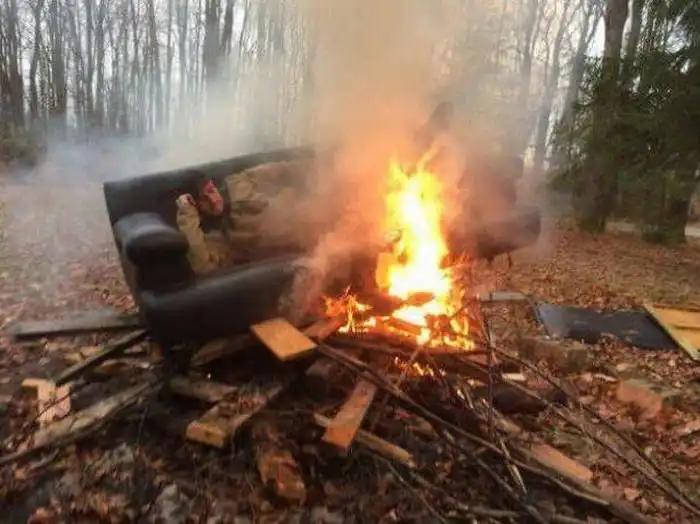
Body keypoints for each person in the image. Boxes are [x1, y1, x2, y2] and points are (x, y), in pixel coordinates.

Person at [175, 160, 312, 275]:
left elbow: (281, 171)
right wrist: (186, 213)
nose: (213, 200)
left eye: (211, 190)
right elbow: (202, 266)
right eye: (204, 200)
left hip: (308, 207)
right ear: (195, 207)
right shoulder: (217, 240)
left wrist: (316, 170)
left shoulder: (238, 184)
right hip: (301, 245)